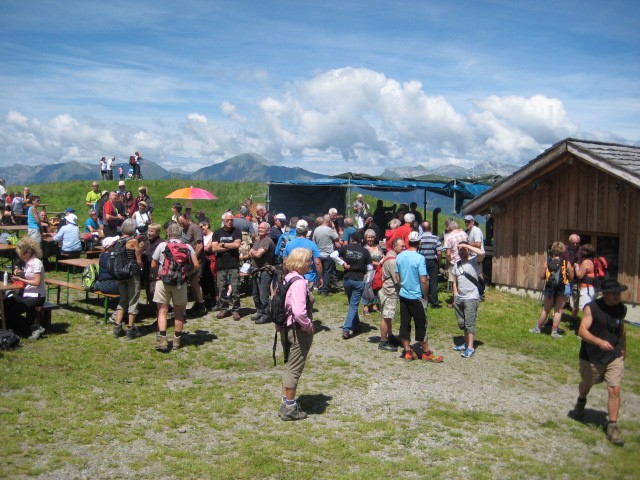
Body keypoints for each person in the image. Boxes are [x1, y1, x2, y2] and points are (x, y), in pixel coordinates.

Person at [573, 278, 628, 446]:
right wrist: (598, 342)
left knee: (615, 389)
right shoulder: (592, 308)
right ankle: (581, 400)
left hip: (613, 355)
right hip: (592, 356)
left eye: (618, 293)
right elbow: (582, 331)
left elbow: (621, 328)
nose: (617, 296)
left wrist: (623, 347)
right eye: (613, 293)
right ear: (604, 294)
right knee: (586, 385)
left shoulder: (621, 309)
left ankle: (613, 426)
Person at [278, 247, 315, 421]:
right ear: (301, 262)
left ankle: (285, 403)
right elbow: (299, 311)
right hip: (297, 330)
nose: (311, 263)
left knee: (288, 367)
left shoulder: (287, 278)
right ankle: (291, 408)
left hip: (285, 327)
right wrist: (308, 326)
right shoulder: (300, 282)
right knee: (294, 369)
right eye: (308, 260)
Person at [395, 231, 444, 362]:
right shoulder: (420, 258)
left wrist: (403, 286)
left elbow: (397, 277)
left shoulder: (399, 256)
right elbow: (423, 280)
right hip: (416, 296)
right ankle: (426, 352)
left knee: (404, 323)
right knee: (421, 324)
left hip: (404, 294)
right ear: (419, 243)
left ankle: (407, 351)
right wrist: (426, 297)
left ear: (407, 242)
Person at [152, 222, 199, 351]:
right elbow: (196, 265)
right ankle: (177, 340)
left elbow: (153, 264)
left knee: (162, 310)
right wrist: (187, 274)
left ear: (168, 233)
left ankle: (162, 339)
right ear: (180, 234)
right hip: (181, 282)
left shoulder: (162, 245)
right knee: (179, 312)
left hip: (163, 281)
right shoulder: (188, 246)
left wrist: (159, 273)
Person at [4, 237, 46, 339]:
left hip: (37, 296)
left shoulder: (36, 263)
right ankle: (16, 327)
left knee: (12, 311)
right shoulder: (28, 262)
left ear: (29, 251)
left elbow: (36, 282)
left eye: (23, 254)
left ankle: (33, 327)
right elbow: (29, 276)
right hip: (27, 294)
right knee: (6, 303)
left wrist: (21, 279)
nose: (22, 257)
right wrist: (21, 273)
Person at [529, 242, 574, 338]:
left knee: (546, 309)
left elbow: (542, 276)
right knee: (558, 310)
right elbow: (571, 277)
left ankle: (537, 328)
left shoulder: (547, 261)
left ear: (552, 250)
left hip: (550, 287)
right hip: (563, 287)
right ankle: (554, 332)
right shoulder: (566, 263)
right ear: (562, 250)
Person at [334, 232, 371, 340]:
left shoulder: (345, 248)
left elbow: (333, 255)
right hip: (359, 279)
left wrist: (343, 264)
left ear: (351, 238)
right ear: (361, 240)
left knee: (352, 304)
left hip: (347, 279)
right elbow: (369, 267)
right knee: (354, 305)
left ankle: (356, 326)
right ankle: (346, 329)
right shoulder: (365, 251)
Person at [451, 241, 485, 358]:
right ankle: (465, 344)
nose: (462, 251)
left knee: (470, 323)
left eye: (464, 249)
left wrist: (468, 246)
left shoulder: (474, 261)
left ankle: (470, 348)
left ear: (468, 250)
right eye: (460, 249)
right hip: (460, 298)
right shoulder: (457, 264)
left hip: (471, 297)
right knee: (462, 323)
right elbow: (454, 281)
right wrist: (455, 295)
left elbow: (481, 253)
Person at [112, 219, 143, 339]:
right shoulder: (133, 241)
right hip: (131, 273)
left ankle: (117, 326)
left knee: (123, 300)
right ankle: (131, 329)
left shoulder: (117, 241)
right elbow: (138, 259)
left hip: (120, 273)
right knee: (133, 300)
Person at [211, 212, 243, 320]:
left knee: (235, 288)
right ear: (223, 221)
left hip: (233, 264)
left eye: (231, 220)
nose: (230, 222)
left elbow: (237, 244)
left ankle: (236, 310)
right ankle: (224, 309)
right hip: (221, 265)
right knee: (221, 288)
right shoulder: (217, 233)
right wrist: (230, 246)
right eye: (227, 220)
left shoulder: (237, 232)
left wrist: (223, 244)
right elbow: (214, 248)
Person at [377, 237, 404, 352]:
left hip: (387, 290)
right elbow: (397, 280)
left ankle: (390, 336)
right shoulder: (392, 260)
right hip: (390, 291)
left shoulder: (390, 256)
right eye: (402, 246)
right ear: (394, 247)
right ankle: (383, 341)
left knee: (389, 316)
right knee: (387, 316)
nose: (404, 248)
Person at [283, 219, 322, 293]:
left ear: (296, 230)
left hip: (292, 277)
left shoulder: (289, 244)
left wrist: (285, 275)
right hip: (308, 278)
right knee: (306, 300)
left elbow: (285, 263)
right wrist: (320, 277)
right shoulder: (312, 244)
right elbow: (317, 263)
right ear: (307, 231)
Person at [178, 215, 206, 317]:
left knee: (195, 281)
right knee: (191, 281)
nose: (181, 225)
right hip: (188, 260)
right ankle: (197, 303)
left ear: (187, 219)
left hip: (196, 259)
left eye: (182, 222)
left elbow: (200, 245)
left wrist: (194, 258)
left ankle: (201, 304)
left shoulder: (195, 228)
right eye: (179, 223)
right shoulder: (183, 229)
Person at [249, 222, 275, 324]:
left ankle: (266, 315)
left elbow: (258, 254)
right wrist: (253, 252)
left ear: (268, 230)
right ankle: (259, 311)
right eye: (259, 227)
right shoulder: (257, 240)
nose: (259, 229)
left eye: (262, 228)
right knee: (255, 294)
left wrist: (253, 251)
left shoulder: (267, 241)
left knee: (263, 295)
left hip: (264, 271)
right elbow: (250, 254)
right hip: (255, 270)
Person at [312, 214, 339, 296]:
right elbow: (337, 238)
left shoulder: (316, 230)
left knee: (320, 272)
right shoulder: (329, 230)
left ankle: (320, 288)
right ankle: (325, 290)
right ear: (329, 221)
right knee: (327, 272)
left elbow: (314, 241)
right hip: (328, 254)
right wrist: (334, 228)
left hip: (319, 254)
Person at [418, 221, 443, 308]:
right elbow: (439, 252)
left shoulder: (419, 238)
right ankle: (434, 301)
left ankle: (422, 299)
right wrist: (439, 262)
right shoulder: (435, 238)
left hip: (421, 261)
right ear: (430, 228)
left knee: (422, 280)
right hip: (432, 261)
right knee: (433, 281)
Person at [362, 229, 383, 314]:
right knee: (367, 288)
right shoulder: (364, 248)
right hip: (368, 271)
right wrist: (376, 263)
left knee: (376, 287)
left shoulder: (378, 246)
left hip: (378, 271)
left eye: (372, 237)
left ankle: (374, 304)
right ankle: (366, 306)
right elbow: (366, 260)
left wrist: (382, 261)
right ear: (365, 238)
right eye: (368, 237)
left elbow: (382, 255)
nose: (370, 239)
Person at [574, 244, 598, 313]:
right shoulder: (593, 261)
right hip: (593, 287)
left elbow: (579, 276)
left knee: (585, 309)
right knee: (592, 309)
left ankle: (586, 323)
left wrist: (576, 267)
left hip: (586, 288)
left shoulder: (586, 262)